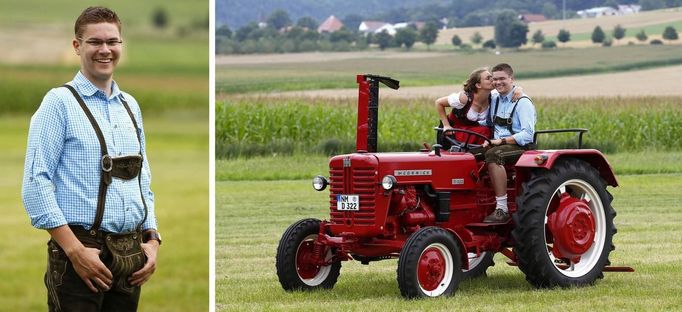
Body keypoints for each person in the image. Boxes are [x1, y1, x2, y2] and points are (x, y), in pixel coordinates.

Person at [21, 7, 161, 311]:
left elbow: (143, 180)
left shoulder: (130, 106)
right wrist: (74, 251)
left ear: (121, 45)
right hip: (81, 251)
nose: (105, 49)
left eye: (112, 41)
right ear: (77, 46)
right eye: (95, 42)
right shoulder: (58, 103)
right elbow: (35, 185)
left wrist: (152, 240)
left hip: (130, 255)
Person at [481, 63, 537, 223]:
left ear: (511, 79)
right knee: (470, 155)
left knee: (493, 155)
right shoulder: (495, 98)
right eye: (495, 79)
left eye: (502, 79)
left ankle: (502, 209)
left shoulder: (522, 101)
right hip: (498, 143)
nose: (498, 82)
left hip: (520, 147)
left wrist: (501, 141)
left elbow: (528, 134)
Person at [435, 67, 494, 145]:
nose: (492, 79)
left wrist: (516, 90)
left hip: (472, 131)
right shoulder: (464, 98)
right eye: (488, 78)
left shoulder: (493, 96)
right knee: (484, 131)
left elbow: (508, 90)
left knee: (487, 131)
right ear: (478, 85)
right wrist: (446, 125)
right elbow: (439, 103)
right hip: (453, 133)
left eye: (491, 77)